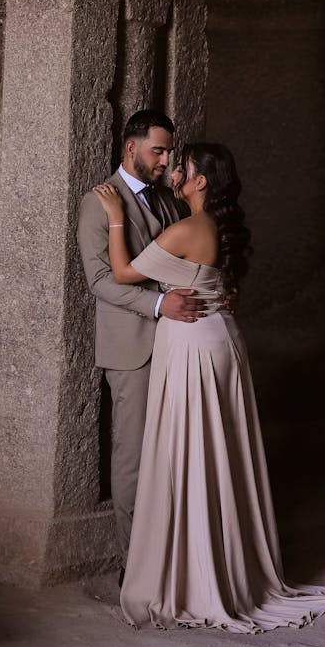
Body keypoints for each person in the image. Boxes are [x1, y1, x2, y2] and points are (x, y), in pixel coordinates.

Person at [92, 142, 325, 632]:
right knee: (216, 452)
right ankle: (220, 564)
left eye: (183, 168)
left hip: (193, 343)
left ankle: (197, 573)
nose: (174, 173)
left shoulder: (190, 228)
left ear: (201, 181)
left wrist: (115, 216)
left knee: (193, 452)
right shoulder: (215, 227)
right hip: (219, 338)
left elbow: (124, 273)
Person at [77, 110, 203, 575]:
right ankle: (135, 569)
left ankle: (167, 559)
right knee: (132, 456)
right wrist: (159, 305)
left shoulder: (167, 199)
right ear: (131, 147)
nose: (166, 160)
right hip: (132, 349)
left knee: (171, 453)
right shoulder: (98, 202)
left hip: (177, 342)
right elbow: (99, 281)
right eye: (158, 150)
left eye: (169, 152)